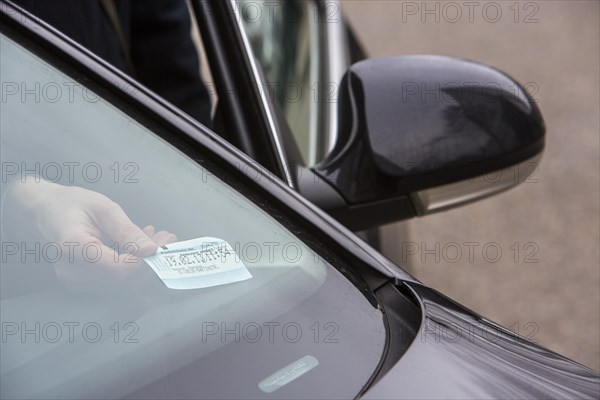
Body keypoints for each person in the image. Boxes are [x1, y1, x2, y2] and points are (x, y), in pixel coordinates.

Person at [2, 0, 211, 291]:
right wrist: (21, 199)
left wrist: (203, 201)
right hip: (21, 299)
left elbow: (179, 100)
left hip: (151, 274)